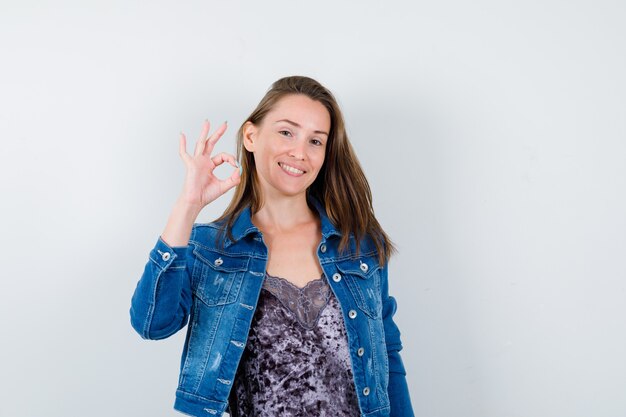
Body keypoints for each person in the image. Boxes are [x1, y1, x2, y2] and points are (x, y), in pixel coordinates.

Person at [130, 75, 414, 417]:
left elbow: (387, 355)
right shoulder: (211, 249)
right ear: (251, 136)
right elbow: (152, 323)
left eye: (315, 141)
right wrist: (187, 205)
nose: (300, 152)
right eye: (286, 132)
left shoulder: (358, 245)